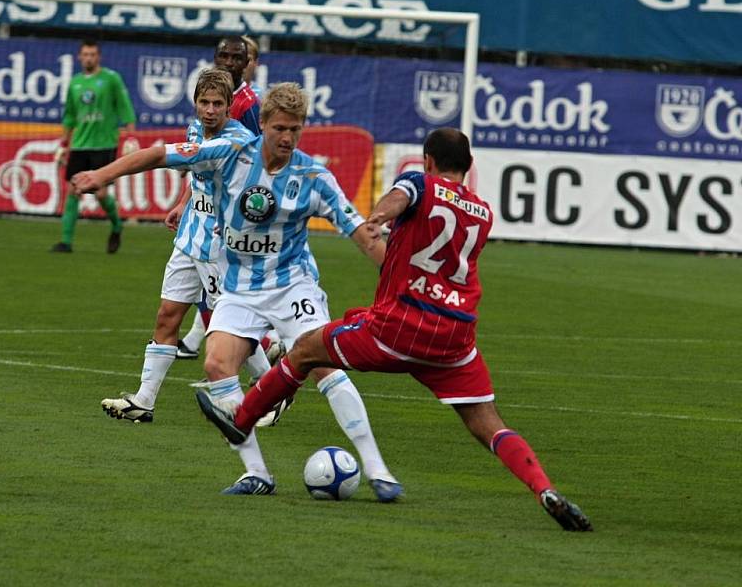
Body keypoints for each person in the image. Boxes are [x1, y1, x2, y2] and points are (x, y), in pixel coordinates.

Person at [197, 128, 593, 531]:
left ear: (427, 161)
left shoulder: (421, 183)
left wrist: (380, 215)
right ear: (469, 167)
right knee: (487, 422)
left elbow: (402, 197)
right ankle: (543, 487)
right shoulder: (482, 213)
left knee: (304, 350)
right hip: (454, 340)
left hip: (399, 328)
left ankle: (242, 419)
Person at [72, 83, 401, 502]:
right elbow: (158, 155)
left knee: (323, 363)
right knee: (216, 365)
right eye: (279, 127)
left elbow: (362, 234)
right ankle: (257, 473)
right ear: (261, 124)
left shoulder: (314, 177)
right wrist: (101, 175)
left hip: (291, 284)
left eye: (295, 130)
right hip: (240, 288)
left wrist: (398, 279)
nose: (286, 137)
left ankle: (378, 470)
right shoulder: (228, 155)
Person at [99, 69, 276, 425]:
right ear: (195, 103)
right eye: (204, 102)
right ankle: (144, 400)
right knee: (167, 315)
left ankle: (269, 390)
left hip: (221, 248)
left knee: (225, 323)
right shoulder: (195, 129)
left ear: (229, 108)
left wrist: (103, 174)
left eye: (217, 104)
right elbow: (196, 173)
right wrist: (183, 203)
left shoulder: (238, 140)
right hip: (189, 240)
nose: (209, 110)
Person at [175, 34, 264, 359]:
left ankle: (267, 352)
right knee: (208, 291)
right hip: (202, 217)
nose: (228, 62)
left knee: (231, 298)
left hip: (231, 217)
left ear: (247, 63)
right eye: (223, 56)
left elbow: (257, 163)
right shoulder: (198, 121)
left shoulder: (250, 106)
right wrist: (184, 203)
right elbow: (203, 168)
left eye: (236, 57)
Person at [51, 39, 136, 254]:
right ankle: (65, 242)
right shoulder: (75, 83)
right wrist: (63, 144)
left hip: (104, 144)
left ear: (99, 57)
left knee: (99, 194)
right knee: (72, 190)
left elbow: (125, 109)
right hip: (80, 145)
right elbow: (69, 116)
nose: (88, 58)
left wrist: (130, 137)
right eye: (85, 54)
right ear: (80, 57)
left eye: (92, 54)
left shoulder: (111, 79)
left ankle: (117, 225)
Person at [241, 34, 264, 100]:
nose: (243, 64)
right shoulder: (221, 92)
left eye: (248, 59)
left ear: (256, 63)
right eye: (238, 58)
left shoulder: (262, 97)